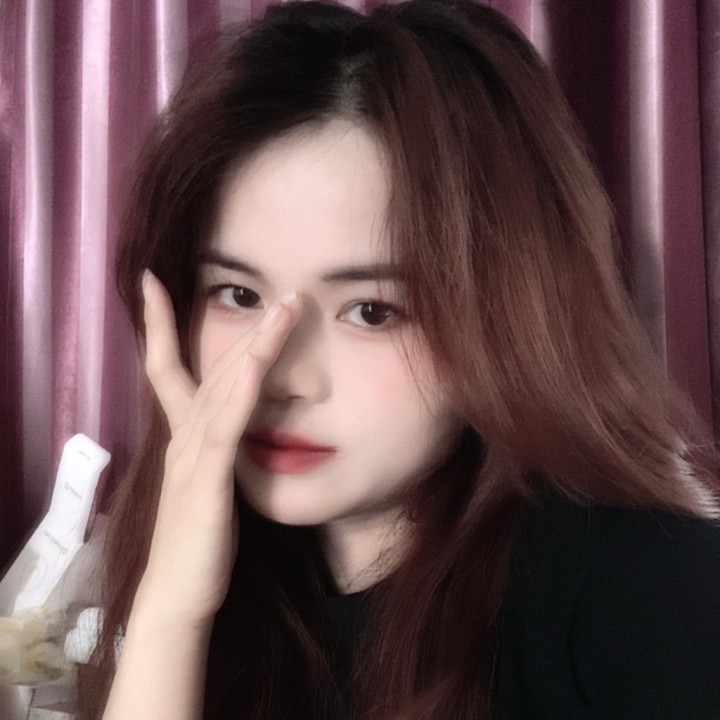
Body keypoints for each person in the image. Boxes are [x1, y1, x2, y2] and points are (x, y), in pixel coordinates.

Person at [85, 1, 720, 718]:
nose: (283, 379)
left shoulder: (654, 590)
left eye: (373, 312)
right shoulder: (224, 577)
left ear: (504, 314)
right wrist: (169, 612)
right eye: (238, 295)